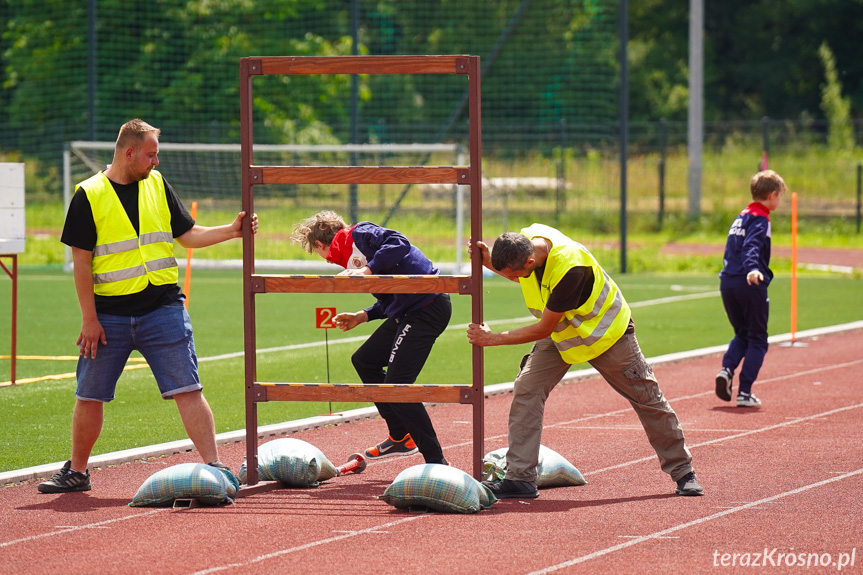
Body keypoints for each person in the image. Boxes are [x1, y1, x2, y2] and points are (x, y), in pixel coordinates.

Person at [38, 119, 258, 494]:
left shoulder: (157, 184)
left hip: (163, 309)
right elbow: (81, 263)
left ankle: (214, 466)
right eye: (151, 154)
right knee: (89, 394)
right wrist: (89, 320)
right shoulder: (88, 195)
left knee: (188, 388)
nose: (156, 161)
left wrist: (232, 230)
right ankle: (77, 472)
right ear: (129, 153)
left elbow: (187, 235)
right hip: (108, 317)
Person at [466, 225, 703, 499]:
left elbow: (543, 327)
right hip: (562, 333)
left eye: (511, 275)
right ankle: (520, 478)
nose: (511, 279)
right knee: (527, 388)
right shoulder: (526, 244)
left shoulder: (571, 268)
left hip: (606, 334)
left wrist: (493, 338)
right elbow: (523, 279)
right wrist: (487, 262)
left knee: (647, 397)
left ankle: (683, 471)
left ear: (530, 261)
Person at [291, 210, 451, 465]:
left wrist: (367, 270)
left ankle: (437, 462)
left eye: (317, 252)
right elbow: (391, 300)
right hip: (409, 311)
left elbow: (399, 242)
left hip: (427, 307)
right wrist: (362, 316)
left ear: (320, 244)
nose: (324, 259)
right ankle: (400, 437)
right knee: (365, 360)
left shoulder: (360, 234)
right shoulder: (352, 260)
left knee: (397, 385)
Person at [715, 170, 786, 408]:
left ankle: (726, 369)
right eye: (780, 197)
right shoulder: (760, 218)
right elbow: (751, 246)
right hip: (749, 281)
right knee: (757, 338)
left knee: (742, 333)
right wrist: (753, 269)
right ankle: (745, 391)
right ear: (773, 195)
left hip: (728, 281)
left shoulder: (741, 216)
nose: (780, 201)